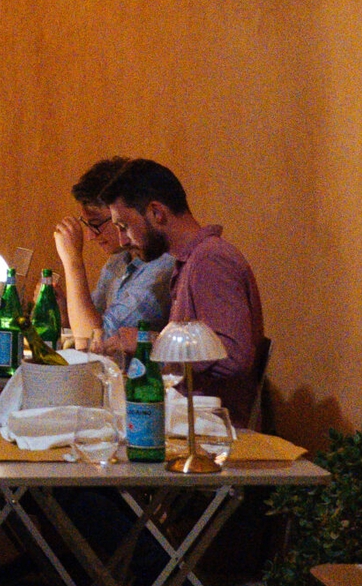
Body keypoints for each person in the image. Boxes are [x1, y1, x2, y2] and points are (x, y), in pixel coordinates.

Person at [105, 159, 266, 428]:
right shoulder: (191, 261)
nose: (122, 241)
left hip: (213, 433)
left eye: (124, 226)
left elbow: (234, 358)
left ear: (157, 212)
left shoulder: (210, 260)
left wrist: (150, 343)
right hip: (189, 422)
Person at [52, 156, 174, 354]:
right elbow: (89, 323)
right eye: (87, 225)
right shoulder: (118, 260)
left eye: (97, 224)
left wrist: (72, 262)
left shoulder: (160, 266)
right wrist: (63, 312)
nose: (91, 236)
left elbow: (96, 345)